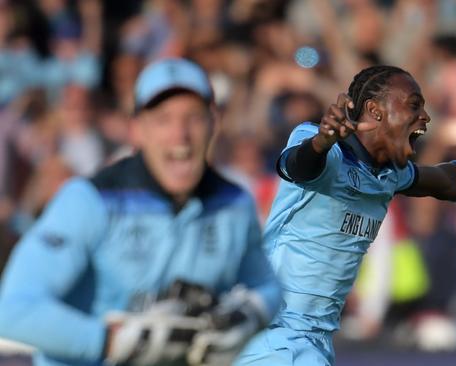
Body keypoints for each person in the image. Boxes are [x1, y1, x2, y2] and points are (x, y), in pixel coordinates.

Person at [235, 65, 456, 366]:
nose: (425, 117)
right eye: (413, 105)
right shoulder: (322, 146)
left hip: (314, 341)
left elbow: (448, 179)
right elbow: (298, 165)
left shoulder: (389, 174)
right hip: (275, 335)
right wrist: (322, 142)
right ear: (374, 111)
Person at [0, 58, 282, 366]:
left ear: (214, 123)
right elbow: (13, 309)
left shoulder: (234, 204)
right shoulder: (89, 200)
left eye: (194, 118)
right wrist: (112, 340)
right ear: (136, 130)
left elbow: (268, 288)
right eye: (163, 119)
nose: (180, 135)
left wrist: (250, 313)